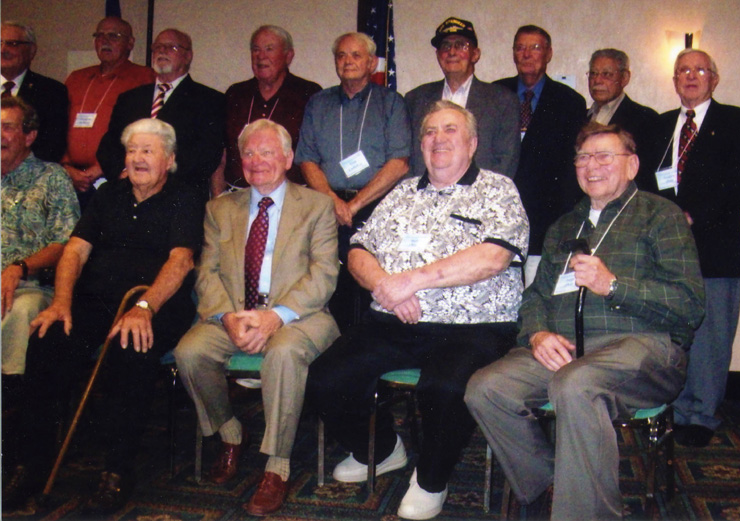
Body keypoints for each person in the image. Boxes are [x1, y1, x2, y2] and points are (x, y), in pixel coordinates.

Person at [466, 122, 705, 520]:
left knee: (576, 384)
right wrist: (538, 333)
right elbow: (536, 297)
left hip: (644, 347)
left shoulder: (660, 216)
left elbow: (691, 304)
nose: (591, 166)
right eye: (583, 157)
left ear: (632, 166)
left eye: (604, 156)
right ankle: (554, 481)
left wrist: (613, 285)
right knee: (485, 388)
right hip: (567, 349)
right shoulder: (564, 227)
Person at [307, 101, 528, 520]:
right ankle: (382, 449)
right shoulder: (403, 191)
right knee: (323, 378)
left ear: (473, 143)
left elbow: (493, 258)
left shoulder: (498, 190)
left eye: (450, 130)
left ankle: (431, 479)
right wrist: (385, 286)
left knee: (443, 389)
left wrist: (414, 280)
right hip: (393, 317)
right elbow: (358, 248)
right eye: (429, 132)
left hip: (472, 325)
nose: (438, 139)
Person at [1, 118, 204, 515]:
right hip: (95, 300)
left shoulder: (186, 196)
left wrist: (144, 309)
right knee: (46, 340)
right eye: (133, 151)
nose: (138, 158)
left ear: (170, 159)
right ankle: (31, 464)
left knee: (131, 351)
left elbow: (181, 260)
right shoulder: (109, 194)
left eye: (148, 151)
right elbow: (74, 251)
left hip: (155, 303)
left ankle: (117, 470)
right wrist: (61, 302)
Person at [174, 119, 339, 516]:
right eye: (248, 153)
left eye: (267, 152)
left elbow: (324, 275)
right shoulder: (219, 208)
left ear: (287, 158)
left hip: (300, 315)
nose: (257, 161)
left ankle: (276, 467)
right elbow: (207, 272)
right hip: (233, 314)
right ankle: (231, 432)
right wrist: (228, 316)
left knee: (282, 356)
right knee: (189, 352)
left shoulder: (316, 205)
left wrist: (275, 317)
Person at [639, 49, 740, 447]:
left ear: (714, 78)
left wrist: (690, 218)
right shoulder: (658, 126)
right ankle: (672, 406)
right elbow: (646, 186)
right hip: (664, 250)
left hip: (714, 248)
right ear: (674, 81)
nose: (690, 77)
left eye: (699, 70)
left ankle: (701, 416)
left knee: (711, 334)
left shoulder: (739, 122)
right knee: (671, 330)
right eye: (682, 71)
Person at [295, 32, 411, 331]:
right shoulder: (318, 103)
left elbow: (399, 163)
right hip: (326, 206)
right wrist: (334, 201)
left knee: (370, 285)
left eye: (356, 55)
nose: (348, 61)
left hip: (376, 206)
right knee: (329, 283)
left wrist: (355, 204)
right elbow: (306, 159)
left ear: (372, 62)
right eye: (341, 56)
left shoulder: (391, 103)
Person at [495, 25, 586, 284]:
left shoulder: (570, 102)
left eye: (535, 47)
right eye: (520, 48)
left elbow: (570, 171)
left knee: (537, 302)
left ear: (549, 54)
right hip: (500, 221)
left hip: (546, 224)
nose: (527, 54)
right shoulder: (495, 94)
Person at [1, 97, 79, 388]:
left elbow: (66, 243)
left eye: (7, 127)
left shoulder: (52, 177)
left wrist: (19, 267)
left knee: (20, 311)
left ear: (29, 136)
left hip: (32, 286)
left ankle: (10, 393)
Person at [97, 28, 225, 196]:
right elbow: (109, 146)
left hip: (178, 197)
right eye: (157, 47)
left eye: (171, 47)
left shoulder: (209, 100)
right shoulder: (129, 98)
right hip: (128, 192)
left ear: (188, 56)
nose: (162, 51)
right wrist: (125, 175)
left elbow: (206, 156)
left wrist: (156, 179)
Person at [405, 17, 519, 178]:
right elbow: (406, 160)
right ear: (438, 55)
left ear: (475, 54)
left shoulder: (503, 100)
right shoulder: (415, 100)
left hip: (481, 198)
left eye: (461, 45)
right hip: (427, 198)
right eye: (446, 46)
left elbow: (507, 161)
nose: (452, 52)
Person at [62, 16, 155, 208]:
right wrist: (67, 168)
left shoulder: (144, 78)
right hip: (70, 178)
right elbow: (58, 126)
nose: (105, 41)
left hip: (115, 177)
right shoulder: (76, 78)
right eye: (100, 36)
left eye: (114, 36)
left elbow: (146, 132)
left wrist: (102, 168)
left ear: (130, 43)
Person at [217, 25, 321, 194]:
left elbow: (315, 156)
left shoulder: (308, 93)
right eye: (256, 50)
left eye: (269, 49)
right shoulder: (236, 94)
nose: (261, 56)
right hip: (238, 197)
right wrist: (218, 199)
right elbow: (222, 154)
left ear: (288, 56)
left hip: (291, 200)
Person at [586, 48, 659, 179]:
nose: (597, 80)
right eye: (593, 73)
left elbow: (645, 173)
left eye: (606, 74)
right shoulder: (577, 116)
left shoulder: (646, 119)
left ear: (624, 78)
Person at [1, 21, 68, 163]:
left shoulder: (52, 92)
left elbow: (52, 146)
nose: (3, 50)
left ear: (31, 51)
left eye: (12, 44)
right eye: (0, 43)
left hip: (29, 178)